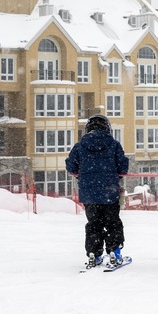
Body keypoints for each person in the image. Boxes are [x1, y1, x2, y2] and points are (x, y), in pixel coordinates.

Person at [66, 114, 129, 269]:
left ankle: (94, 253)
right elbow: (123, 167)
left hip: (89, 194)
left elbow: (71, 167)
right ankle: (114, 251)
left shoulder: (80, 145)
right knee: (112, 222)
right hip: (110, 191)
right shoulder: (113, 144)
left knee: (94, 224)